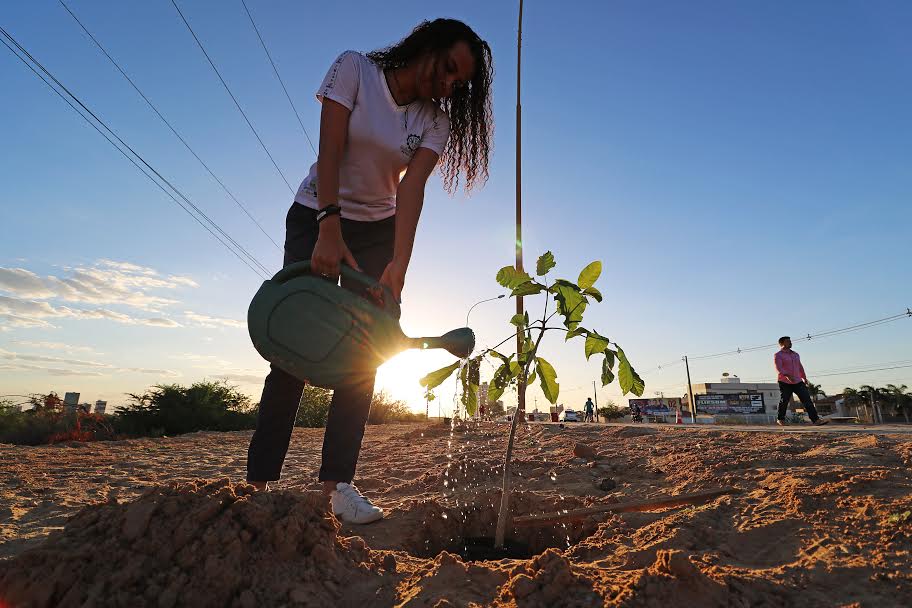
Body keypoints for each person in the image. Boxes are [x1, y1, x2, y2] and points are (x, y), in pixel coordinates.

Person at [246, 19, 494, 524]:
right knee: (297, 347)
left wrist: (397, 266)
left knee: (364, 359)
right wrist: (328, 226)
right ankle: (259, 484)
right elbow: (329, 150)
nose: (448, 85)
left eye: (458, 84)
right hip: (317, 212)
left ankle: (338, 487)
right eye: (448, 69)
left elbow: (411, 191)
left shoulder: (433, 121)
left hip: (378, 232)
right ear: (428, 45)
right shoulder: (354, 68)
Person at [774, 336, 828, 427]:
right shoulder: (778, 355)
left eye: (790, 341)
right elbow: (779, 368)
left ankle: (816, 420)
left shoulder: (795, 354)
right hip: (784, 382)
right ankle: (781, 419)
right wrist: (787, 376)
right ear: (782, 343)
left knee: (807, 399)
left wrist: (804, 377)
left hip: (798, 381)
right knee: (784, 400)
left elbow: (799, 366)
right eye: (788, 341)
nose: (791, 343)